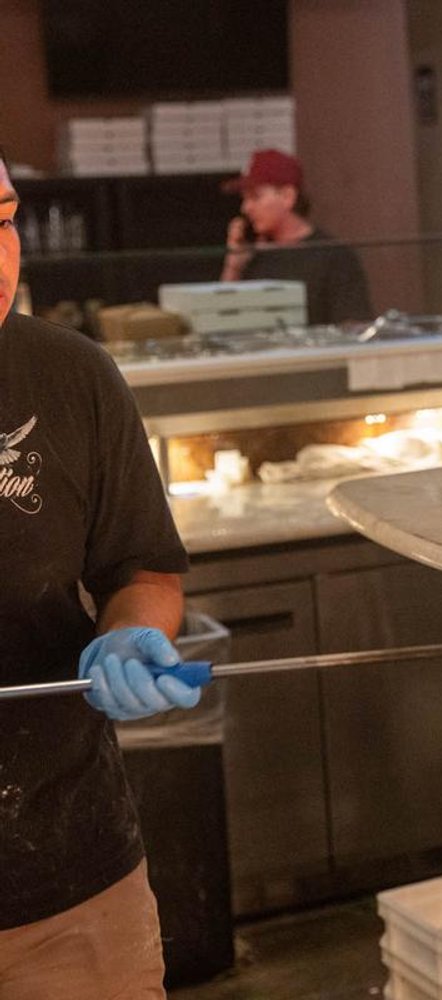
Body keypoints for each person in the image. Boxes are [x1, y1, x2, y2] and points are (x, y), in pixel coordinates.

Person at [0, 151, 202, 999]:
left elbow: (143, 566)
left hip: (69, 877)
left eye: (3, 219)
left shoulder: (72, 375)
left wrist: (134, 630)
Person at [220, 148, 373, 325]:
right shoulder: (253, 256)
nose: (246, 208)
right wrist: (233, 267)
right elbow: (224, 320)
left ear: (287, 197)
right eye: (244, 199)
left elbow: (354, 326)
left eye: (255, 197)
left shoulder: (332, 256)